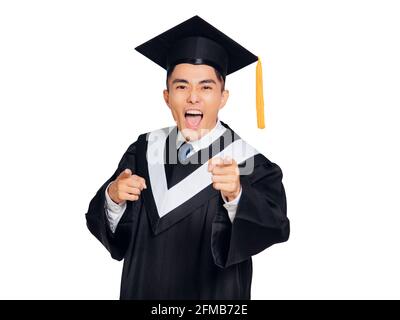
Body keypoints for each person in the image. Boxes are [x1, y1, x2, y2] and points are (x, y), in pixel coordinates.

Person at [86, 15, 289, 300]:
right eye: (182, 86)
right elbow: (113, 235)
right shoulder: (144, 151)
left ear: (223, 97)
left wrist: (238, 195)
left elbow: (276, 225)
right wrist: (113, 197)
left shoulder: (247, 162)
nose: (193, 97)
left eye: (206, 87)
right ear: (167, 96)